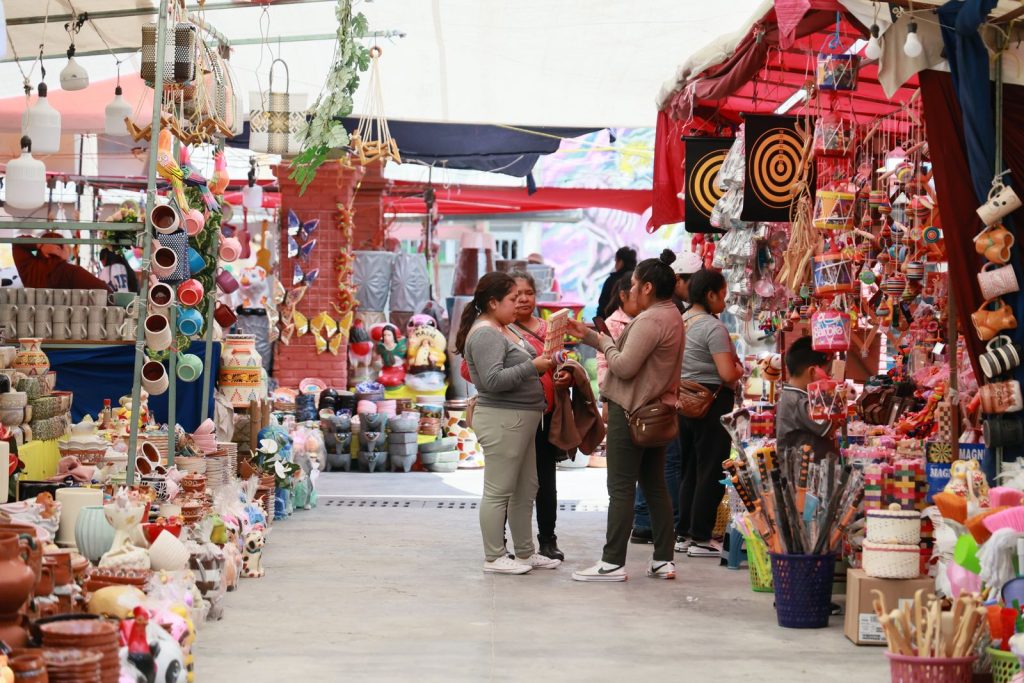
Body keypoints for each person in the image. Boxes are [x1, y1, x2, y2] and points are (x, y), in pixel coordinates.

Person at [566, 251, 685, 582]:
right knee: (654, 485)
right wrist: (591, 335)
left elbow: (622, 365)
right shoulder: (671, 314)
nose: (630, 289)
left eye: (633, 284)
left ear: (647, 287)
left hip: (631, 410)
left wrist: (603, 343)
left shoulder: (650, 320)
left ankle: (612, 562)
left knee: (620, 487)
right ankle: (663, 559)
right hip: (655, 410)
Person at [455, 272, 559, 575]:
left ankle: (526, 552)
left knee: (526, 488)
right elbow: (491, 381)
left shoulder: (505, 327)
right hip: (503, 419)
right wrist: (533, 367)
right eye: (513, 299)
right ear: (493, 302)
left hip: (523, 419)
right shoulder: (486, 332)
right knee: (499, 490)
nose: (519, 303)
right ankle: (494, 555)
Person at [675, 269, 745, 558]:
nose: (725, 301)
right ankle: (701, 537)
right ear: (710, 294)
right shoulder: (713, 328)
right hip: (711, 401)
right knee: (711, 468)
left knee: (689, 469)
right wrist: (740, 369)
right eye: (723, 294)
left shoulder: (681, 321)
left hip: (683, 400)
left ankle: (683, 534)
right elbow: (728, 373)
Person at [507, 271, 567, 561]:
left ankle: (547, 540)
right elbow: (472, 371)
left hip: (546, 414)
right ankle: (504, 541)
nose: (522, 299)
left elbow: (561, 364)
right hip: (513, 415)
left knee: (546, 481)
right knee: (509, 481)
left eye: (528, 293)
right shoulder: (499, 330)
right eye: (515, 294)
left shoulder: (549, 329)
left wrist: (567, 374)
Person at [776, 336, 836, 458]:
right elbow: (828, 427)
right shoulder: (800, 401)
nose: (830, 377)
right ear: (813, 372)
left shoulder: (791, 394)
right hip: (803, 473)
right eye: (828, 373)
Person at [13, 232, 109, 290]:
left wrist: (39, 244)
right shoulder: (72, 272)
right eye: (67, 245)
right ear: (59, 249)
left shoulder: (30, 268)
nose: (70, 248)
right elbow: (104, 289)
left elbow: (16, 243)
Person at [596, 271, 636, 389]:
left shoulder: (645, 318)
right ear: (623, 296)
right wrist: (605, 392)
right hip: (617, 390)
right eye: (635, 297)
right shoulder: (612, 324)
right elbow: (603, 360)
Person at [596, 246, 637, 317]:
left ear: (620, 262)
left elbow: (602, 306)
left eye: (615, 261)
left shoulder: (611, 280)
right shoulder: (640, 280)